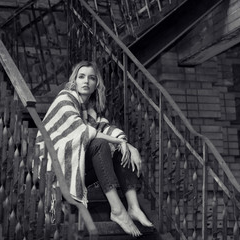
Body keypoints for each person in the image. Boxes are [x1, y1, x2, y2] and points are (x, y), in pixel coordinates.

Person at [36, 60, 153, 237]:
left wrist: (128, 146)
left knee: (120, 149)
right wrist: (119, 142)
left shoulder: (89, 111)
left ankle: (133, 207)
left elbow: (104, 128)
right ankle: (117, 210)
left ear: (96, 84)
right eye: (81, 76)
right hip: (57, 168)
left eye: (91, 78)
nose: (86, 81)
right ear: (74, 80)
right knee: (100, 144)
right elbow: (82, 130)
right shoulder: (64, 98)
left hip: (78, 166)